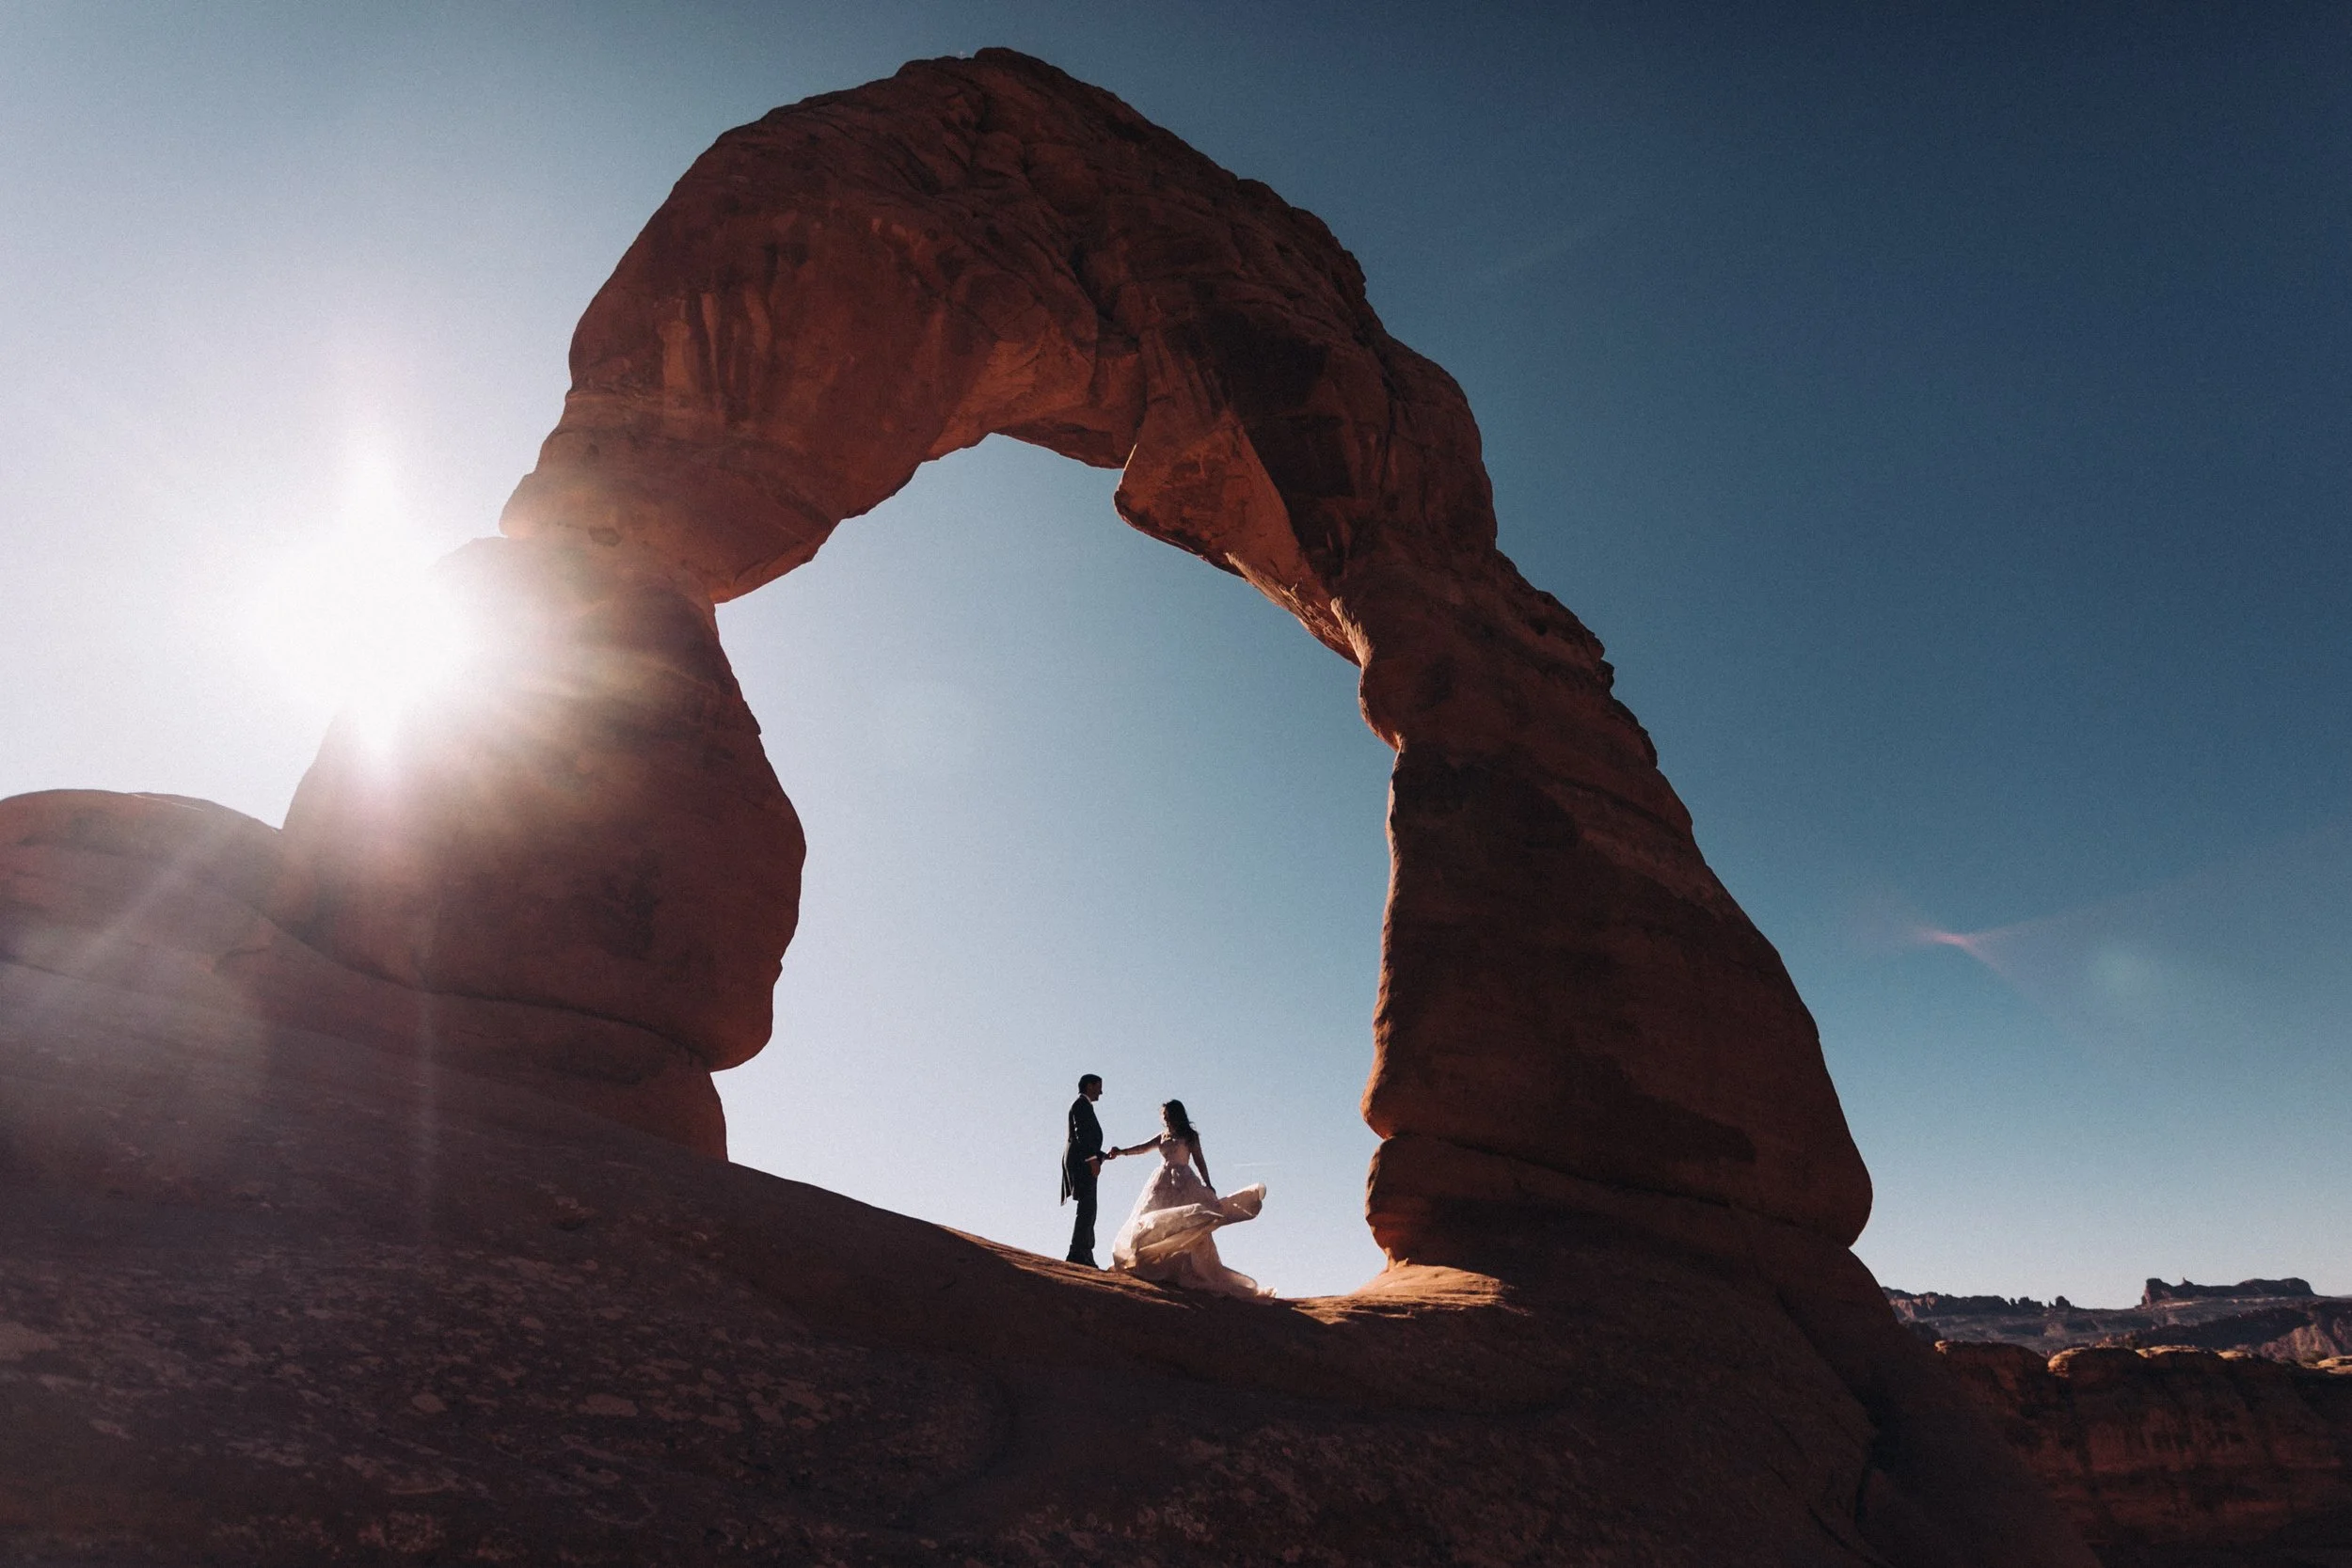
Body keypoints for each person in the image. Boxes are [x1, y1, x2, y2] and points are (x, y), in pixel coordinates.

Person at [1104, 1099, 1271, 1298]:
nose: (1165, 1120)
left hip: (1184, 1182)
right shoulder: (1162, 1136)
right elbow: (1142, 1147)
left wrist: (1207, 1183)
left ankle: (1182, 1269)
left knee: (1187, 1224)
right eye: (1163, 1117)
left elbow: (1199, 1160)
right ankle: (1154, 1263)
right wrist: (1121, 1152)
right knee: (1152, 1221)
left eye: (1167, 1116)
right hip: (1162, 1183)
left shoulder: (1189, 1137)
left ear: (1176, 1115)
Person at [1060, 1073, 1109, 1266]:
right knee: (1087, 1207)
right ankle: (1078, 1253)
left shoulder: (1083, 1105)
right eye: (1099, 1086)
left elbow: (1087, 1138)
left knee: (1089, 1207)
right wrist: (1092, 1160)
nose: (1101, 1092)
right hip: (1082, 1163)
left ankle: (1084, 1251)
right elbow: (1081, 1135)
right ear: (1090, 1086)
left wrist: (1102, 1155)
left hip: (1084, 1161)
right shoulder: (1081, 1105)